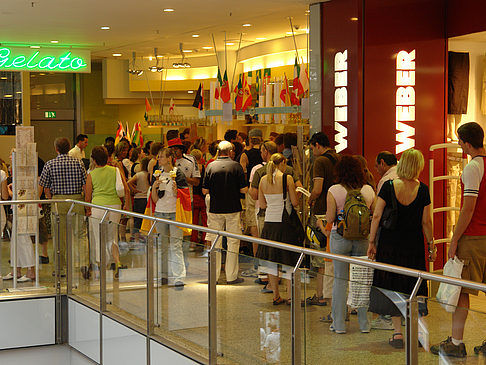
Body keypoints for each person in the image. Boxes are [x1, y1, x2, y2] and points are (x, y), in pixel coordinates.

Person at [367, 148, 435, 349]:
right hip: (413, 245)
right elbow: (426, 221)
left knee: (392, 285)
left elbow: (377, 216)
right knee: (414, 288)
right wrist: (431, 244)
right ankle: (419, 334)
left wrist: (372, 241)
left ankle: (397, 334)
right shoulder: (422, 189)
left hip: (389, 244)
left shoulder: (388, 186)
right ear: (418, 166)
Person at [431, 122, 486, 358]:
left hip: (473, 237)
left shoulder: (473, 168)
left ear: (465, 142)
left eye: (459, 141)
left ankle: (456, 342)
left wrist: (454, 239)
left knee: (462, 291)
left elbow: (468, 208)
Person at [323, 155, 375, 333]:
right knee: (361, 281)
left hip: (340, 237)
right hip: (362, 239)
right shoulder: (368, 190)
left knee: (340, 280)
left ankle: (338, 324)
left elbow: (330, 218)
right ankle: (364, 324)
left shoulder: (334, 190)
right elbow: (373, 215)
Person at [256, 153, 300, 305]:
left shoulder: (263, 180)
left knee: (272, 260)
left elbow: (262, 205)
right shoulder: (287, 178)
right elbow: (294, 202)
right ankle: (290, 296)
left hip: (269, 223)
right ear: (283, 162)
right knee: (288, 260)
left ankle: (276, 294)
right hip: (285, 224)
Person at [39, 137, 87, 274]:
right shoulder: (78, 162)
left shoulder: (49, 164)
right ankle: (83, 264)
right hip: (76, 200)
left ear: (56, 149)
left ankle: (60, 268)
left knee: (59, 236)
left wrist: (50, 198)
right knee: (80, 234)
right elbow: (84, 184)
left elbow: (44, 186)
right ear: (69, 147)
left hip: (58, 201)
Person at [202, 141, 248, 284]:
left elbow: (205, 190)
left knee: (215, 242)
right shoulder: (236, 166)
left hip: (215, 209)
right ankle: (231, 276)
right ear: (230, 152)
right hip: (233, 209)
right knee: (233, 242)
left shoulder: (210, 166)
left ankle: (213, 276)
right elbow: (244, 190)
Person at [85, 146, 130, 279]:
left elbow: (87, 197)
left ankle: (101, 266)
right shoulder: (115, 170)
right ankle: (117, 262)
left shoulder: (91, 174)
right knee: (112, 237)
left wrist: (88, 210)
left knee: (99, 238)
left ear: (93, 159)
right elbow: (126, 189)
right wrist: (126, 205)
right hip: (115, 205)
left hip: (98, 207)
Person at [306, 132, 339, 307]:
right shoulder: (338, 158)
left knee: (320, 257)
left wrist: (310, 198)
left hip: (321, 212)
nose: (312, 152)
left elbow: (317, 189)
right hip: (337, 211)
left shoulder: (320, 162)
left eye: (312, 148)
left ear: (318, 145)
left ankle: (321, 294)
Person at [151, 148, 188, 289]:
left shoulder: (178, 174)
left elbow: (184, 196)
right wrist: (154, 188)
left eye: (161, 157)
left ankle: (179, 277)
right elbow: (154, 200)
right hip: (160, 213)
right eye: (158, 157)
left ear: (169, 159)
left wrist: (176, 191)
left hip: (175, 213)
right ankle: (163, 274)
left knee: (176, 245)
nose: (159, 159)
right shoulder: (157, 174)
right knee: (162, 245)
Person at [127, 156, 150, 241]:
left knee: (137, 219)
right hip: (146, 199)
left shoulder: (139, 174)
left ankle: (136, 238)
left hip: (138, 198)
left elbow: (128, 182)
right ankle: (145, 236)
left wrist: (134, 190)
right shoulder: (150, 175)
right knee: (146, 219)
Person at [189, 149, 207, 246]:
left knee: (194, 221)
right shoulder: (204, 168)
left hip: (193, 196)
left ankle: (193, 240)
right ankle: (205, 239)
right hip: (202, 196)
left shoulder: (191, 168)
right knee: (205, 220)